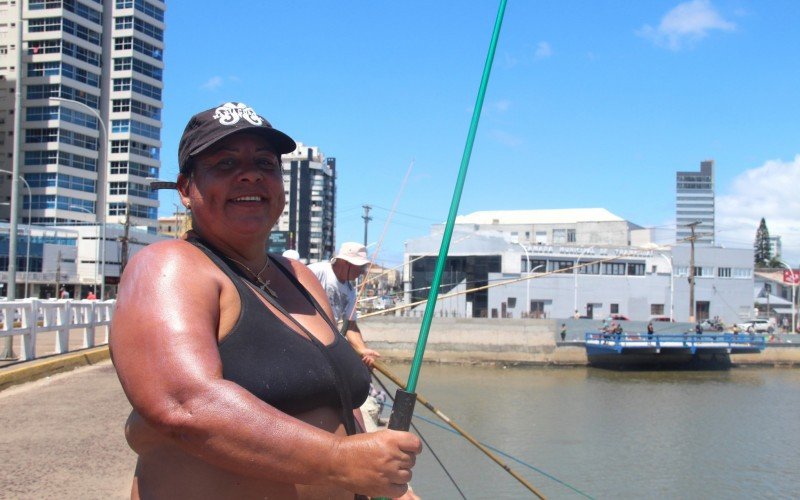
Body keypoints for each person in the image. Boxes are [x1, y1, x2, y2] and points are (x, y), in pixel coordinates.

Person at [109, 102, 420, 499]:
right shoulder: (166, 266)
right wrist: (340, 460)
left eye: (265, 163)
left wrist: (391, 487)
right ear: (186, 189)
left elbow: (338, 401)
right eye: (225, 163)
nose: (251, 174)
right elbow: (185, 403)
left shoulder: (300, 276)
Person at [308, 243, 380, 368]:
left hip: (327, 341)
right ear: (345, 262)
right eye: (360, 267)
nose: (362, 272)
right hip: (307, 337)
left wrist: (363, 350)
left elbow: (351, 325)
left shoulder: (350, 291)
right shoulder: (318, 271)